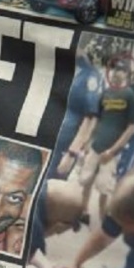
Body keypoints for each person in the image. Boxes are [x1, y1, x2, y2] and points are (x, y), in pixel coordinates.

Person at [77, 58, 134, 223]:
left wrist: (113, 151)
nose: (115, 73)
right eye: (114, 70)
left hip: (111, 152)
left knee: (104, 187)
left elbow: (132, 127)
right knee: (86, 181)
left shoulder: (129, 95)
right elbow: (97, 118)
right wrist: (88, 140)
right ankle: (84, 213)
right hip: (96, 146)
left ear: (126, 74)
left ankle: (103, 220)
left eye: (120, 70)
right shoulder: (105, 93)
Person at [50, 39, 103, 179]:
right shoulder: (60, 66)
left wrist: (72, 153)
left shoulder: (91, 75)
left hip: (63, 146)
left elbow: (91, 118)